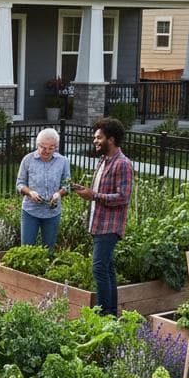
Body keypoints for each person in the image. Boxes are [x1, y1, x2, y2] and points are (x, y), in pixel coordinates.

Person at [72, 116, 134, 315]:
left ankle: (104, 315)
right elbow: (100, 191)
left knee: (99, 268)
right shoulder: (103, 161)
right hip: (98, 222)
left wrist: (94, 195)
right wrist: (85, 190)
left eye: (99, 138)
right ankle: (111, 313)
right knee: (106, 269)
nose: (95, 141)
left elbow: (123, 197)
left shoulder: (122, 164)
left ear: (112, 139)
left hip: (110, 225)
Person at [15, 127, 70, 254]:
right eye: (43, 147)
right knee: (26, 250)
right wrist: (30, 192)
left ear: (56, 147)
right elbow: (19, 184)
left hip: (52, 212)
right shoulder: (28, 160)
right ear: (37, 145)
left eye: (51, 148)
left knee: (48, 251)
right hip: (30, 211)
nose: (46, 151)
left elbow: (67, 185)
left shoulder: (63, 161)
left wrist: (58, 194)